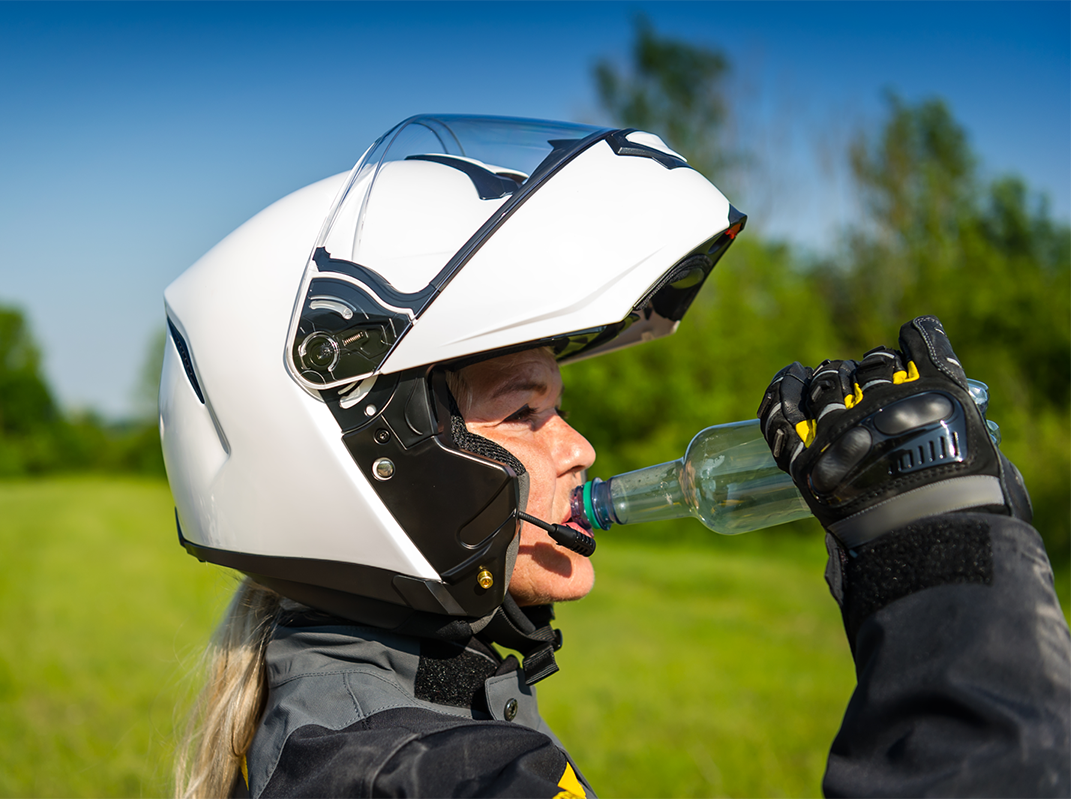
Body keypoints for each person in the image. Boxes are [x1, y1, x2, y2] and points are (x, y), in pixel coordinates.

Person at [159, 115, 1071, 799]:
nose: (580, 447)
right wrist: (946, 573)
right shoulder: (438, 776)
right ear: (371, 453)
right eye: (525, 412)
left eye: (562, 407)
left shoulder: (362, 718)